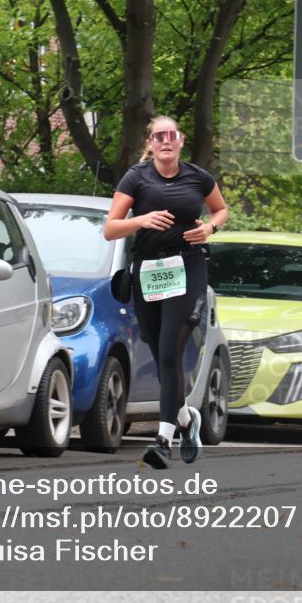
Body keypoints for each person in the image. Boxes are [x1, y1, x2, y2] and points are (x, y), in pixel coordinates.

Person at [104, 116, 228, 468]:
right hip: (149, 270)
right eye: (159, 136)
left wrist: (209, 228)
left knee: (170, 347)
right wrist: (140, 221)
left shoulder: (198, 176)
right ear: (152, 142)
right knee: (160, 353)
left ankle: (162, 440)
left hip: (187, 267)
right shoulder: (136, 177)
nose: (166, 141)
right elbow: (111, 229)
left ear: (181, 140)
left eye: (171, 135)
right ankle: (187, 419)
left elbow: (220, 210)